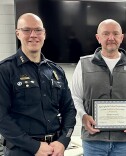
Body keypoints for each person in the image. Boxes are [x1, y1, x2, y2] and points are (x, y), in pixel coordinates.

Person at [0, 13, 77, 156]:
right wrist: (34, 147)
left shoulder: (56, 71)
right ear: (18, 33)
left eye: (38, 30)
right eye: (27, 30)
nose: (33, 35)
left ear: (44, 34)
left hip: (54, 150)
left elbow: (69, 110)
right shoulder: (5, 70)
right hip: (20, 151)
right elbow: (2, 118)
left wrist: (63, 141)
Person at [71, 19, 126, 156]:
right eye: (106, 34)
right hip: (93, 141)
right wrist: (83, 117)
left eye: (115, 34)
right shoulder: (83, 64)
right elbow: (75, 97)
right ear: (98, 38)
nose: (111, 38)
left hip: (123, 141)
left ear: (121, 37)